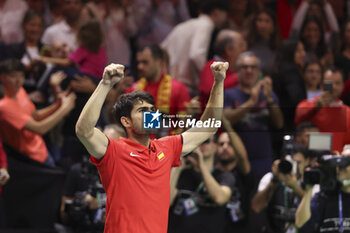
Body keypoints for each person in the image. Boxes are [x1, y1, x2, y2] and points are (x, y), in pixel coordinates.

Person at [75, 61, 228, 233]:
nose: (151, 115)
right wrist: (105, 84)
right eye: (142, 111)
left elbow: (209, 127)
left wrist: (219, 81)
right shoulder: (114, 151)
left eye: (152, 109)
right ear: (126, 121)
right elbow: (84, 131)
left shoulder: (167, 147)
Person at [0, 59, 76, 165]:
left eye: (21, 76)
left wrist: (58, 105)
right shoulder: (4, 106)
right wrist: (64, 109)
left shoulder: (20, 91)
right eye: (13, 76)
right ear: (2, 77)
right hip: (29, 158)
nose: (18, 80)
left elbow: (35, 115)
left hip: (40, 149)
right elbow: (39, 128)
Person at [224, 51, 284, 181]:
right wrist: (251, 101)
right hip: (238, 160)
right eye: (244, 67)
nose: (249, 71)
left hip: (264, 158)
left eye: (253, 67)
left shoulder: (268, 94)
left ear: (259, 71)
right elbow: (227, 120)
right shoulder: (228, 94)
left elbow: (279, 123)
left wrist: (269, 99)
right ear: (237, 70)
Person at [168, 135, 235, 233]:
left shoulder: (224, 176)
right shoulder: (183, 173)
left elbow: (220, 198)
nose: (201, 144)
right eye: (199, 141)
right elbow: (166, 202)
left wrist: (201, 165)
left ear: (215, 147)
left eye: (206, 141)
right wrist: (177, 167)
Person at [161, 0, 229, 96]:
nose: (225, 19)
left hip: (169, 85)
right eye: (225, 15)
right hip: (186, 88)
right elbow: (196, 55)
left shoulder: (183, 25)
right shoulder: (206, 25)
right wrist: (208, 77)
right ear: (216, 12)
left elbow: (161, 51)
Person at [251, 146, 308, 233]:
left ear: (306, 161)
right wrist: (275, 180)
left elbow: (313, 211)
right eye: (291, 163)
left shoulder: (310, 181)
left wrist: (295, 187)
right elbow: (256, 207)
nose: (293, 167)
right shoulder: (270, 178)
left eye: (298, 163)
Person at [295, 146, 350, 233]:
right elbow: (300, 223)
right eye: (340, 158)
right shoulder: (325, 196)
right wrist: (309, 190)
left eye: (347, 160)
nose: (340, 164)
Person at [295, 67, 350, 153]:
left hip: (338, 161)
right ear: (321, 85)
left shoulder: (348, 112)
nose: (334, 87)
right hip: (311, 160)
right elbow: (299, 118)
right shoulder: (308, 104)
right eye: (329, 83)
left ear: (343, 86)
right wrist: (317, 106)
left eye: (337, 83)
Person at [199, 29, 246, 109]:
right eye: (241, 45)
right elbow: (209, 91)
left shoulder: (239, 68)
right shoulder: (211, 66)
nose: (245, 49)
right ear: (229, 50)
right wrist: (237, 77)